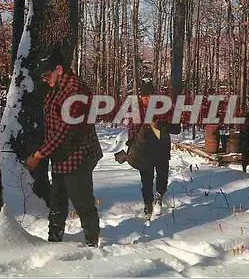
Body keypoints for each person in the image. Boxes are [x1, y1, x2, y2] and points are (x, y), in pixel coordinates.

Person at [25, 49, 103, 247]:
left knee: (83, 202)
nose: (44, 79)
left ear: (59, 70)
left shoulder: (75, 91)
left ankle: (92, 245)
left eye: (46, 75)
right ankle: (54, 242)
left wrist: (38, 155)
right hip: (61, 156)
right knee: (57, 201)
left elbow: (64, 130)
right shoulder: (57, 86)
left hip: (78, 155)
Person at [116, 80, 180, 220]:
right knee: (146, 178)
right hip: (144, 149)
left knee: (162, 174)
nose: (145, 98)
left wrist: (163, 125)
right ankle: (147, 203)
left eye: (148, 95)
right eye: (142, 95)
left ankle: (159, 197)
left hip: (161, 147)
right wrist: (131, 144)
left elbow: (177, 128)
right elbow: (132, 128)